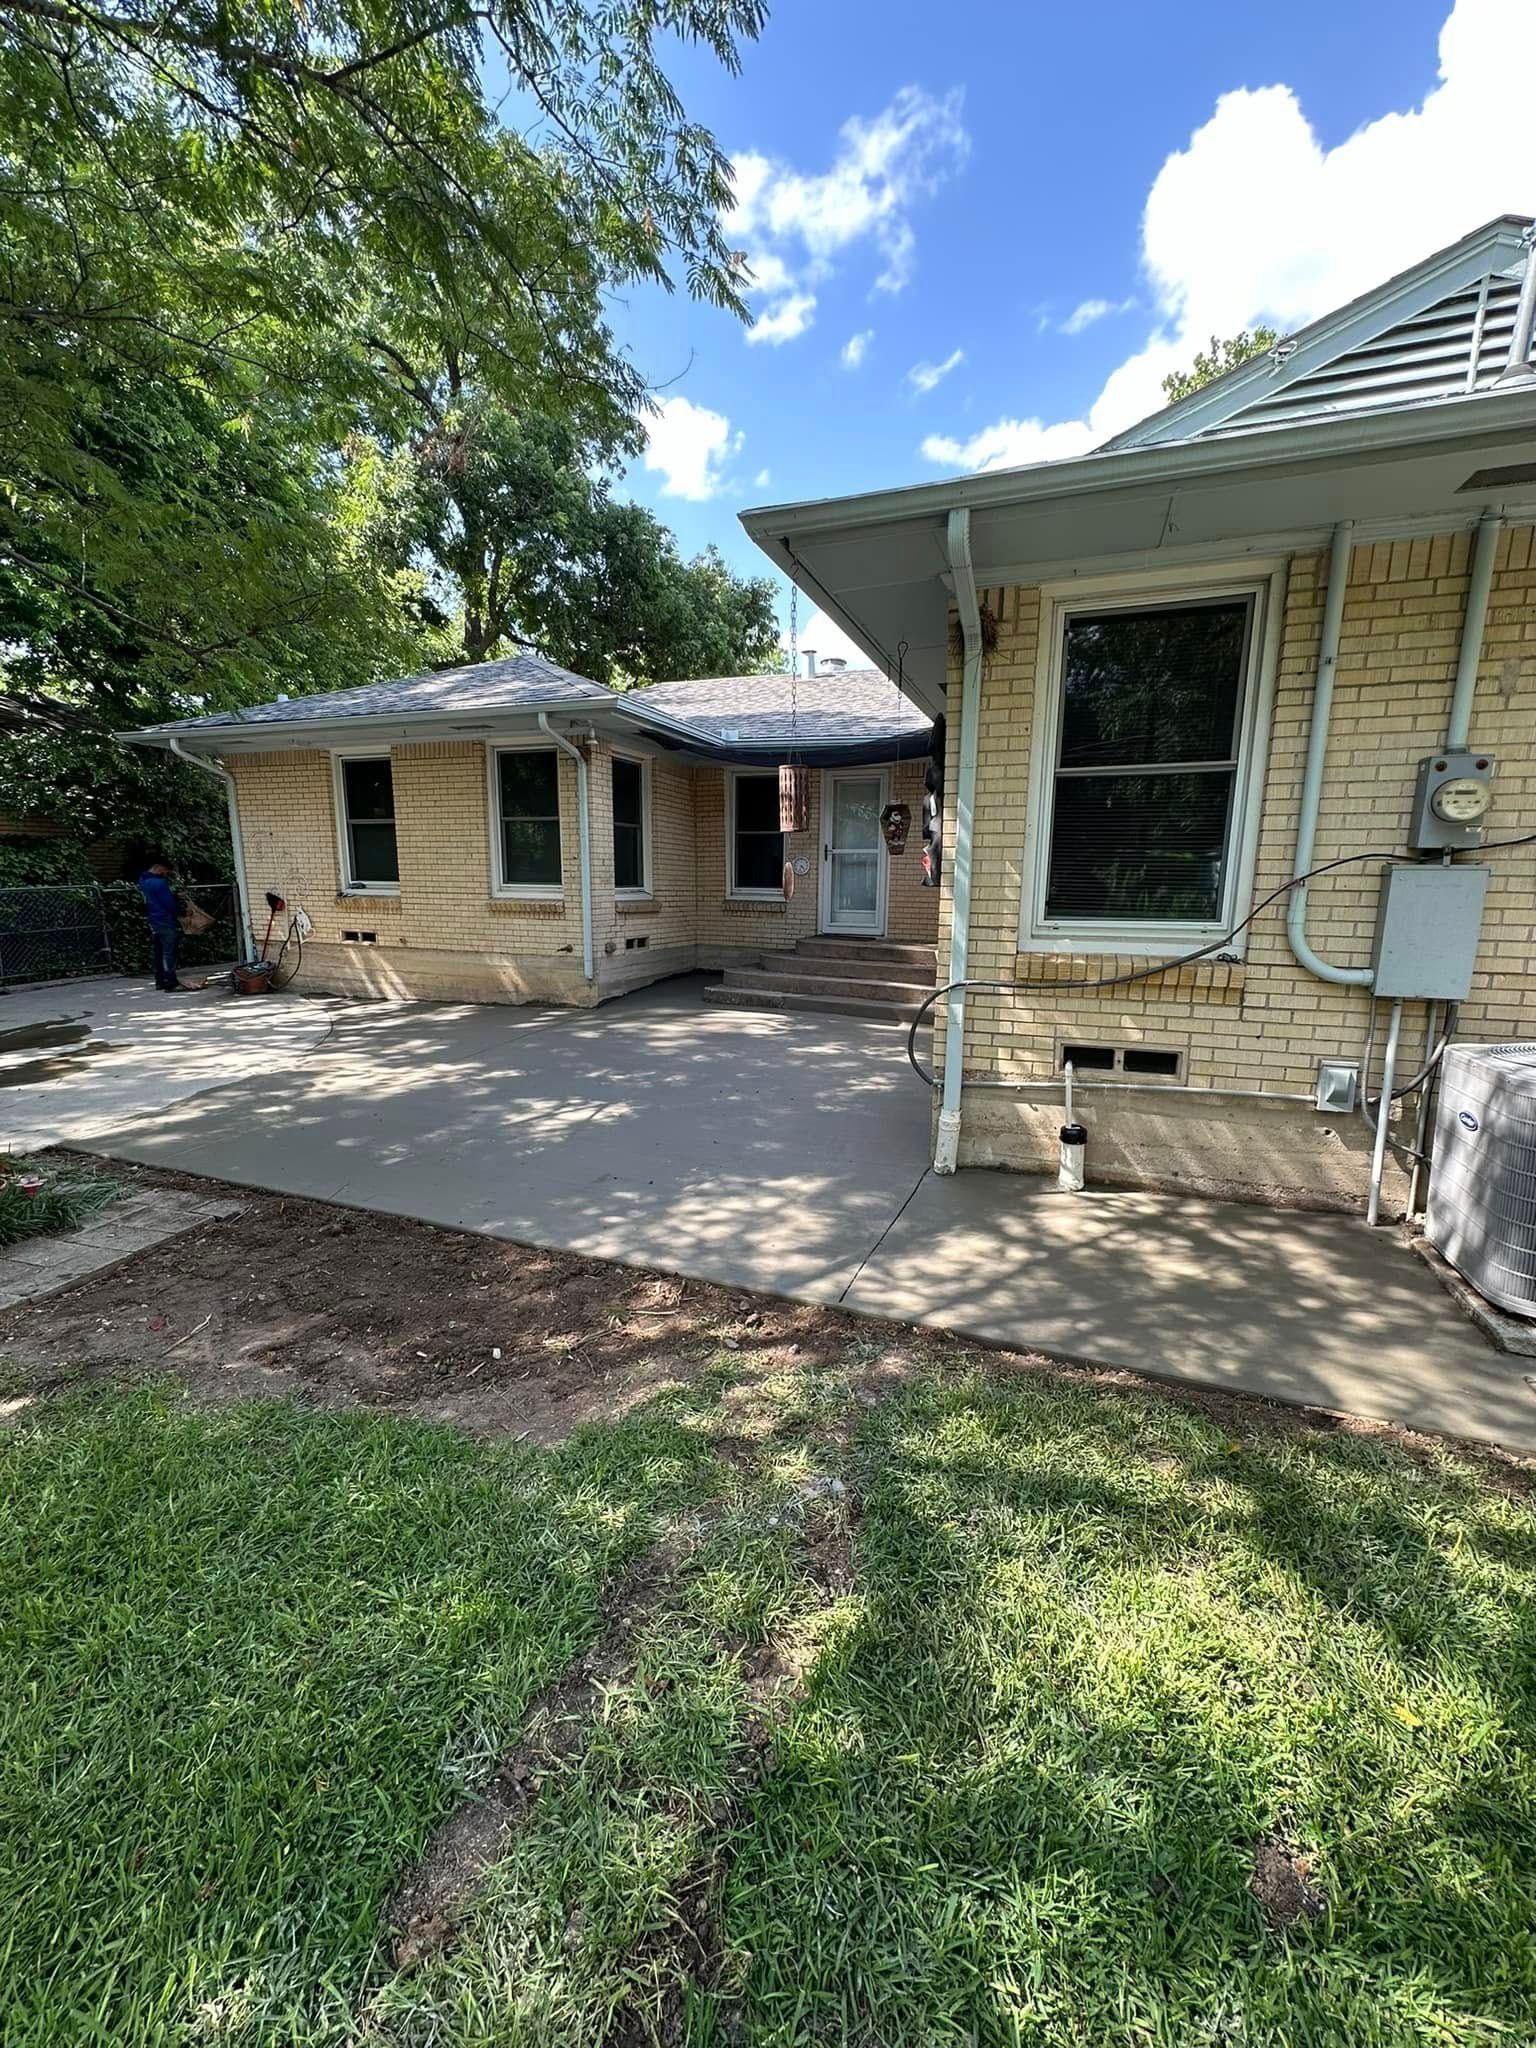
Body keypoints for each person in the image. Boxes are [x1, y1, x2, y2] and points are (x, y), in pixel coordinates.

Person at [137, 860, 189, 992]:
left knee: (158, 952)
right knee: (168, 952)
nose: (165, 874)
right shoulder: (159, 883)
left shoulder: (142, 881)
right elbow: (168, 903)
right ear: (159, 867)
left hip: (153, 920)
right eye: (165, 870)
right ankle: (170, 981)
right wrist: (181, 912)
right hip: (165, 919)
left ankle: (159, 981)